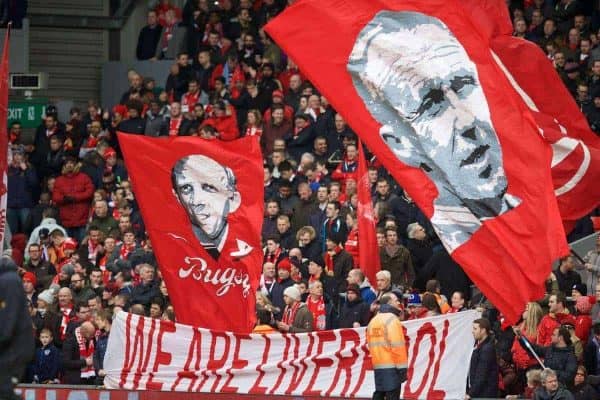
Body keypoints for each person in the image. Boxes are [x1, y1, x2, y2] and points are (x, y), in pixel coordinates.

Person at [349, 11, 521, 252]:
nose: (466, 121)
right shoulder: (455, 245)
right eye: (432, 105)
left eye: (464, 85)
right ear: (400, 144)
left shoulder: (530, 201)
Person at [171, 154, 241, 259]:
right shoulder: (175, 248)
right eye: (186, 188)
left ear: (233, 199)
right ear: (177, 198)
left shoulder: (246, 247)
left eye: (209, 187)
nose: (197, 200)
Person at [0, 258, 35, 400]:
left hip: (14, 348)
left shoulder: (8, 282)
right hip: (16, 347)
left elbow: (8, 319)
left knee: (4, 389)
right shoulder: (10, 280)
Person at [366, 292, 407, 400]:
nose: (399, 302)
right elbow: (397, 347)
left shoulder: (374, 321)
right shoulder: (392, 320)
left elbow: (370, 344)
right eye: (396, 300)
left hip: (378, 366)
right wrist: (402, 369)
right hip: (392, 367)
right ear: (389, 303)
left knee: (379, 394)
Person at [62, 321, 97, 385]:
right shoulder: (70, 341)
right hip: (75, 379)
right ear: (84, 332)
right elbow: (66, 362)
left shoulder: (92, 339)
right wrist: (85, 362)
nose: (93, 336)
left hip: (90, 378)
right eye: (91, 334)